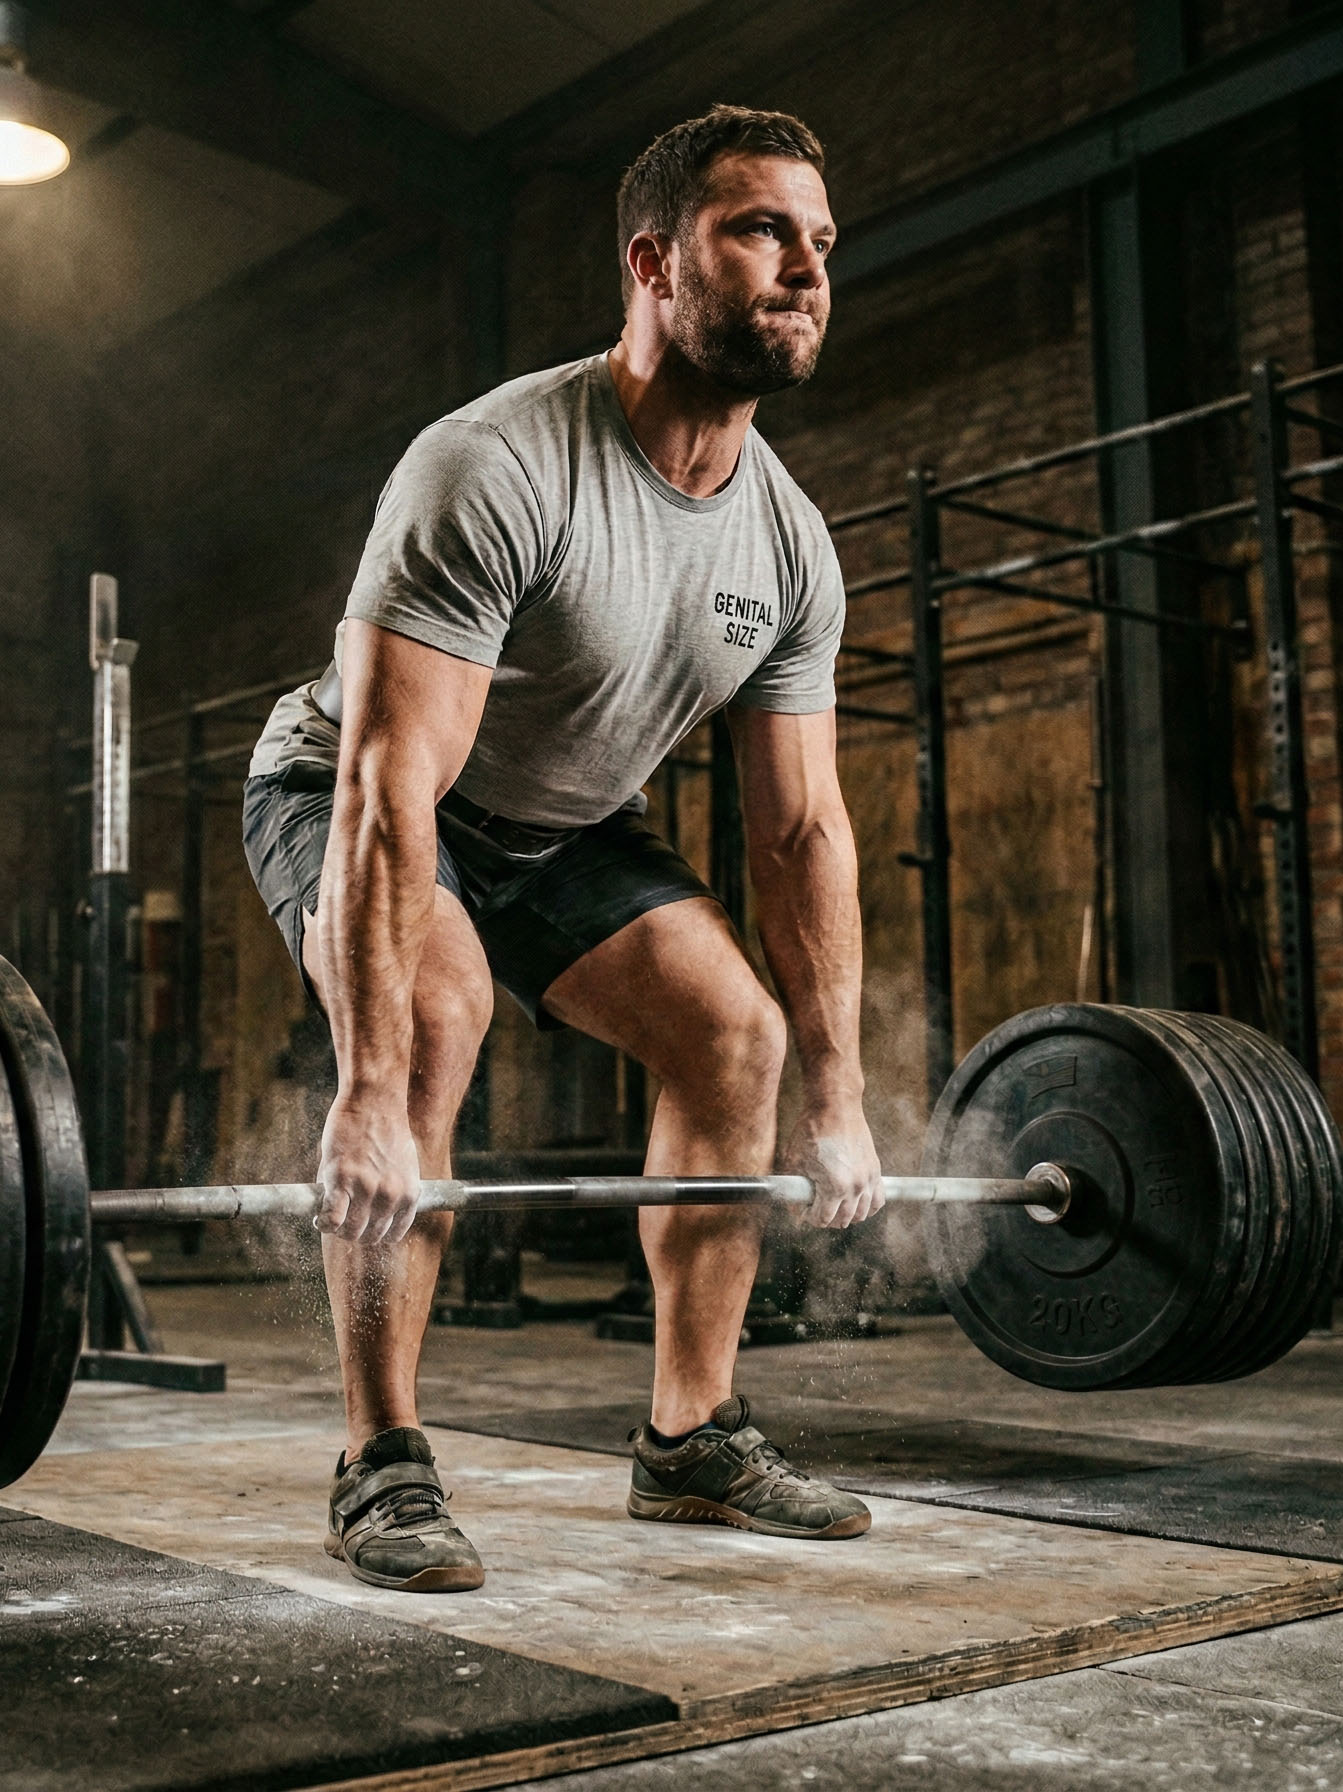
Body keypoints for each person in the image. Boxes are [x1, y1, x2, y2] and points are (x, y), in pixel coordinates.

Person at [242, 104, 884, 1593]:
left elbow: (798, 830)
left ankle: (689, 1438)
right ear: (654, 263)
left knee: (737, 1036)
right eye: (762, 230)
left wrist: (838, 1093)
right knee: (440, 1017)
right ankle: (382, 1459)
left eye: (822, 243)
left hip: (566, 822)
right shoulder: (496, 466)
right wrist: (364, 1095)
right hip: (347, 789)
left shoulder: (790, 546)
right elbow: (390, 798)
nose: (805, 269)